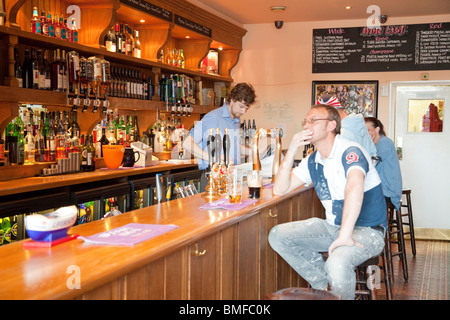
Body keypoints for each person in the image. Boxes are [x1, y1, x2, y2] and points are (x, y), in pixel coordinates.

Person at [268, 104, 387, 300]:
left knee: (337, 262)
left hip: (368, 230)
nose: (307, 125)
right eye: (305, 121)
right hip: (334, 227)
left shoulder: (350, 150)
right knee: (278, 235)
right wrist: (291, 150)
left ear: (332, 125)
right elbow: (280, 189)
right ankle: (324, 288)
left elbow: (354, 187)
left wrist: (345, 236)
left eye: (313, 120)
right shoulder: (313, 160)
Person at [182, 83, 256, 189]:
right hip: (212, 177)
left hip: (230, 176)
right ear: (232, 99)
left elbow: (233, 146)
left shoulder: (236, 120)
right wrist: (212, 158)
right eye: (241, 107)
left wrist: (253, 152)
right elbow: (187, 143)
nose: (243, 111)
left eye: (246, 108)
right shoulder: (212, 118)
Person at [365, 117, 402, 210]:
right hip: (379, 189)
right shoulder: (374, 145)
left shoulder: (385, 143)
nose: (365, 133)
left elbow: (371, 164)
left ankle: (373, 224)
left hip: (388, 191)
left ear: (377, 129)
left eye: (368, 130)